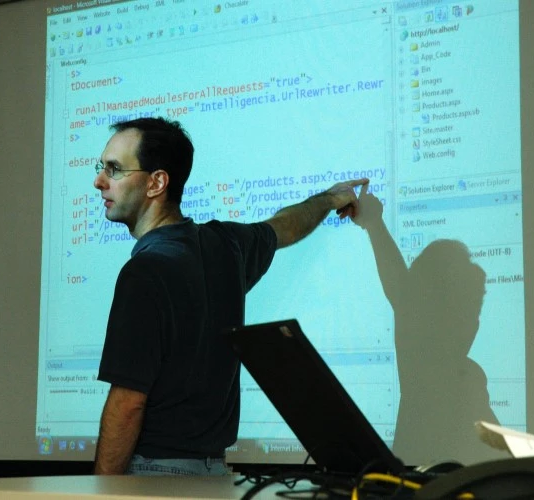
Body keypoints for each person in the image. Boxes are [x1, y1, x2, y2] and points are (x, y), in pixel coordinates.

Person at [91, 117, 367, 475]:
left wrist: (100, 490)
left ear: (156, 182)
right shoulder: (227, 246)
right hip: (214, 475)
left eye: (113, 169)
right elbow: (284, 226)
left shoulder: (144, 272)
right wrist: (331, 198)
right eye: (102, 167)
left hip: (153, 476)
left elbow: (127, 403)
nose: (99, 181)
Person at [353, 186, 505, 465]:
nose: (474, 324)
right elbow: (402, 286)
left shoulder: (470, 378)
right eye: (468, 308)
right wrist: (374, 225)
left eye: (477, 310)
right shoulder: (424, 363)